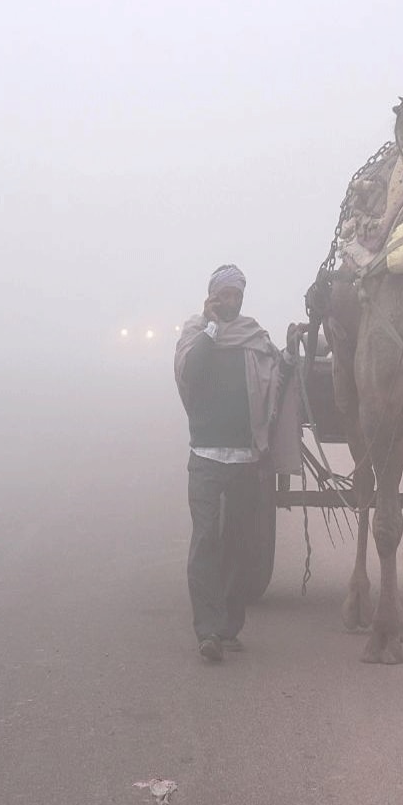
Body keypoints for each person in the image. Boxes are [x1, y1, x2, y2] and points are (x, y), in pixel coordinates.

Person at [173, 264, 290, 662]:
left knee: (239, 545)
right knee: (205, 540)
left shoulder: (253, 338)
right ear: (212, 296)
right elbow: (191, 372)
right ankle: (206, 631)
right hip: (205, 456)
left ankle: (229, 627)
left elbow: (275, 376)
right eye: (224, 295)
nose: (231, 301)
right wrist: (210, 327)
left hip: (244, 458)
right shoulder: (195, 335)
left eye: (236, 295)